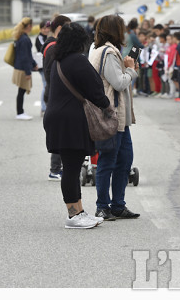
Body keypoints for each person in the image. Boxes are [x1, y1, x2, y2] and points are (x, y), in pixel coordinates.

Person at [43, 23, 109, 229]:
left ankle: (79, 210)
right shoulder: (78, 61)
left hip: (58, 118)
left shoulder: (58, 61)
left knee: (71, 166)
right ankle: (73, 215)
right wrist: (107, 107)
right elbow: (96, 87)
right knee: (71, 168)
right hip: (70, 120)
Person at [90, 14, 141, 221]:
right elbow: (119, 83)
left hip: (120, 119)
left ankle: (118, 205)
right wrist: (131, 69)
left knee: (124, 160)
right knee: (109, 161)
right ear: (115, 30)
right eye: (121, 28)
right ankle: (103, 205)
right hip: (112, 116)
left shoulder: (100, 50)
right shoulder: (109, 53)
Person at [43, 14, 72, 181]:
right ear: (60, 28)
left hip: (54, 95)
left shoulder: (52, 45)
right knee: (59, 132)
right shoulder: (53, 47)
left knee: (60, 132)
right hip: (55, 95)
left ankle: (57, 168)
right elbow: (49, 74)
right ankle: (55, 169)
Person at [12, 17, 38, 121]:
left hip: (19, 67)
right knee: (21, 91)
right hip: (22, 69)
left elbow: (27, 55)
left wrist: (34, 63)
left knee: (21, 91)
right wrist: (28, 72)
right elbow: (25, 57)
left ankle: (20, 111)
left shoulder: (21, 37)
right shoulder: (25, 39)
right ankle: (20, 112)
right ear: (29, 26)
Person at [35, 20, 51, 116]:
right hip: (42, 65)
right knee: (45, 86)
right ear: (40, 29)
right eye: (44, 28)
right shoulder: (39, 38)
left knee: (47, 85)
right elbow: (43, 48)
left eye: (47, 28)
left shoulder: (47, 37)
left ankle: (46, 107)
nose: (46, 30)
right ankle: (43, 108)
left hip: (47, 64)